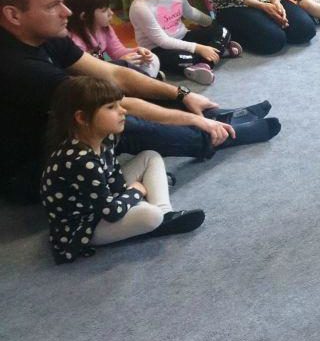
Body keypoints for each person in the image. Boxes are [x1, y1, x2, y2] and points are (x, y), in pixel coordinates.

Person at [0, 0, 280, 203]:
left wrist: (183, 94)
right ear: (13, 15)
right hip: (30, 172)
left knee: (125, 73)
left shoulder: (44, 34)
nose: (67, 12)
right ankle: (216, 136)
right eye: (53, 6)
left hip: (54, 128)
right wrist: (193, 120)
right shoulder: (18, 67)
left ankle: (218, 117)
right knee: (116, 122)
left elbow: (114, 75)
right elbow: (119, 105)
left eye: (62, 1)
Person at [41, 77, 206, 264]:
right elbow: (111, 212)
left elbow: (114, 177)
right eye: (111, 107)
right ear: (82, 118)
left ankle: (165, 215)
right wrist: (137, 191)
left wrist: (126, 193)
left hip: (100, 201)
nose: (123, 111)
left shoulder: (105, 137)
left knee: (150, 157)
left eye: (119, 104)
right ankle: (158, 218)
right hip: (83, 226)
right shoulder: (81, 161)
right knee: (151, 215)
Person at [129, 0, 240, 85]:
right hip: (158, 50)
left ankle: (206, 61)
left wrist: (213, 23)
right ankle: (216, 53)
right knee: (183, 58)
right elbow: (163, 41)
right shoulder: (140, 7)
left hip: (183, 37)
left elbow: (191, 13)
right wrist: (199, 48)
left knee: (223, 31)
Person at [64, 0, 160, 78]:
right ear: (85, 16)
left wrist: (137, 51)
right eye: (104, 10)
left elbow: (117, 51)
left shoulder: (104, 28)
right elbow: (87, 72)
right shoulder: (76, 43)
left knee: (153, 58)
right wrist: (120, 63)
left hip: (106, 69)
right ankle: (148, 80)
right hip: (90, 77)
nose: (111, 13)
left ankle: (147, 79)